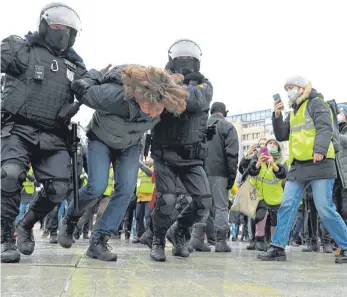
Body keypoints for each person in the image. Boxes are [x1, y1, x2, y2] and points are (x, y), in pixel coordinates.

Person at [58, 64, 188, 261]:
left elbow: (193, 104)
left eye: (158, 110)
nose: (153, 114)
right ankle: (71, 219)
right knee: (96, 186)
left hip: (129, 145)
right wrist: (94, 76)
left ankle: (99, 241)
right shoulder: (112, 95)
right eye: (149, 108)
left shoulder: (164, 107)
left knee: (126, 192)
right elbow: (82, 87)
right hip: (100, 138)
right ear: (139, 96)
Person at [1, 2, 85, 263]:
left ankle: (25, 225)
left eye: (68, 29)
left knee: (60, 188)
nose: (63, 33)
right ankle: (5, 237)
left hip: (53, 134)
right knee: (10, 174)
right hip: (19, 127)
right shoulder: (24, 50)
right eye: (58, 27)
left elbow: (93, 93)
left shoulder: (75, 66)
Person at [258, 75, 347, 264]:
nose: (288, 91)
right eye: (286, 88)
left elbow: (325, 128)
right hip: (299, 165)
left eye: (291, 87)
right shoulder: (294, 111)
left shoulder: (317, 103)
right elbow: (282, 135)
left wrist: (320, 149)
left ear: (301, 88)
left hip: (320, 161)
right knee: (287, 205)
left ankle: (346, 245)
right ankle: (278, 247)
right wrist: (276, 115)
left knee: (324, 208)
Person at [149, 39, 213, 262]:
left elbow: (195, 101)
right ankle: (157, 240)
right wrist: (166, 86)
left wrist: (172, 88)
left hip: (191, 156)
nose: (186, 65)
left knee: (203, 201)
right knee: (166, 200)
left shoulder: (205, 85)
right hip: (164, 153)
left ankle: (178, 231)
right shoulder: (158, 81)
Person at [195, 102, 239, 253]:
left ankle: (197, 239)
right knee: (221, 207)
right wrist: (231, 176)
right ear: (224, 112)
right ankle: (221, 242)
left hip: (199, 172)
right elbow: (232, 154)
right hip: (219, 172)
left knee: (202, 206)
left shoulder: (200, 126)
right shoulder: (227, 127)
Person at [248, 139, 287, 251]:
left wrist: (273, 164)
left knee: (275, 219)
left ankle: (274, 242)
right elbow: (251, 170)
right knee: (260, 216)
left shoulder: (282, 159)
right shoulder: (258, 156)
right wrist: (259, 163)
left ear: (278, 148)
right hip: (261, 194)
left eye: (275, 144)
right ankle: (259, 240)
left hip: (275, 195)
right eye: (270, 143)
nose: (272, 145)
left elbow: (284, 173)